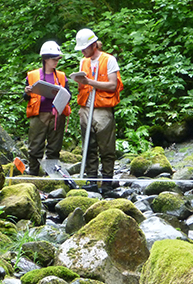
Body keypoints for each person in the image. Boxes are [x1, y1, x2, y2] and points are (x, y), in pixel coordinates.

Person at [73, 28, 123, 193]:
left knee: (106, 147)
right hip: (85, 107)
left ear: (93, 45)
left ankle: (107, 182)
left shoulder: (109, 60)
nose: (82, 51)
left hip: (102, 108)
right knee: (88, 146)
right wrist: (81, 82)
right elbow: (83, 85)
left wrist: (90, 82)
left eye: (84, 48)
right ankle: (91, 180)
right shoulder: (83, 62)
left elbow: (112, 85)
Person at [23, 40, 71, 176]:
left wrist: (61, 93)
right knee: (35, 147)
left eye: (58, 58)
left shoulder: (61, 76)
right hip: (38, 115)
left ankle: (52, 175)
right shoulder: (32, 75)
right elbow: (26, 97)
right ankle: (33, 174)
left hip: (57, 115)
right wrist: (27, 92)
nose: (56, 61)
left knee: (54, 148)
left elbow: (69, 95)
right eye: (54, 58)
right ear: (45, 58)